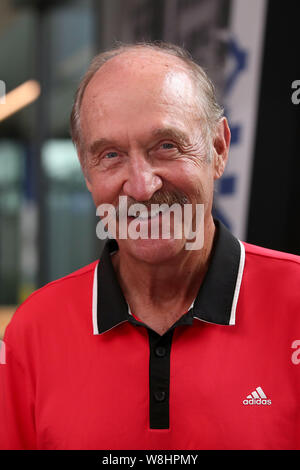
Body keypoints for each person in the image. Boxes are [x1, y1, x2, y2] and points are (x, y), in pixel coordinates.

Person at [0, 42, 299, 451]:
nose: (141, 187)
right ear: (87, 174)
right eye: (110, 155)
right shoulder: (32, 333)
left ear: (218, 149)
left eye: (167, 146)